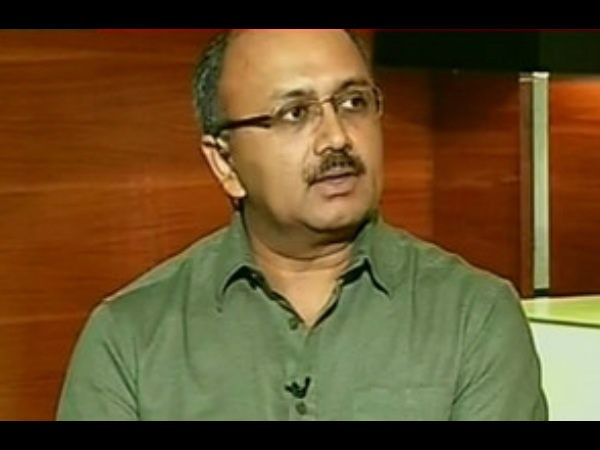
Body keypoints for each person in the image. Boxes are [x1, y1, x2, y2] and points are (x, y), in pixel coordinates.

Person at [57, 29, 547, 421]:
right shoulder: (130, 339)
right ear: (225, 162)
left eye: (353, 102)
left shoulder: (475, 317)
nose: (336, 137)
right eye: (294, 113)